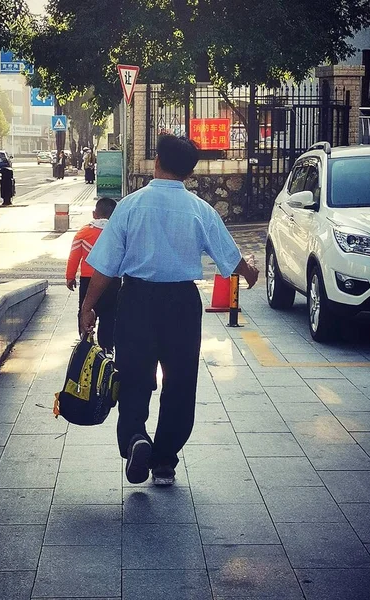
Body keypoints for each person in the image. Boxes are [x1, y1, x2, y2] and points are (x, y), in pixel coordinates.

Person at [80, 134, 259, 487]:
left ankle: (135, 439)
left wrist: (88, 307)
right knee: (179, 384)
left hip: (135, 302)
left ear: (157, 161)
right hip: (182, 306)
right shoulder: (200, 209)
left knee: (133, 378)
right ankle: (164, 462)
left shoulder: (130, 206)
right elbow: (231, 258)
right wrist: (251, 272)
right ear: (189, 173)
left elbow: (104, 266)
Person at [66, 197, 121, 352]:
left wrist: (70, 277)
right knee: (110, 314)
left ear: (94, 214)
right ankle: (107, 347)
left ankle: (86, 341)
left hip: (87, 281)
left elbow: (74, 257)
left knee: (85, 310)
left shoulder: (83, 233)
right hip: (113, 280)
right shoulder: (118, 232)